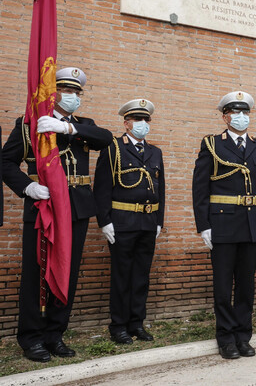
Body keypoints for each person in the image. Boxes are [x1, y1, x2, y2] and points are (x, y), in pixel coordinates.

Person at [2, 67, 112, 362]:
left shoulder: (83, 126)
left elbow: (106, 138)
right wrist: (28, 188)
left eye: (77, 93)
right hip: (43, 206)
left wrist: (68, 129)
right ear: (53, 93)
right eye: (67, 91)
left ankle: (55, 334)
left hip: (76, 208)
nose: (73, 97)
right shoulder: (29, 125)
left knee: (67, 271)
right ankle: (31, 337)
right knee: (37, 273)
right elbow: (6, 163)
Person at [192, 91, 256, 359]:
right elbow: (200, 188)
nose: (241, 117)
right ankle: (225, 338)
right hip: (223, 224)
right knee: (223, 285)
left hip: (252, 224)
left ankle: (243, 335)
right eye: (236, 113)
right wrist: (204, 225)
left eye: (245, 113)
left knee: (246, 285)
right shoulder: (212, 144)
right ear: (225, 116)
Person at [93, 99, 164, 344]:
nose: (143, 124)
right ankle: (119, 326)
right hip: (122, 221)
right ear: (126, 123)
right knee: (122, 276)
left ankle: (137, 323)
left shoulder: (155, 151)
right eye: (138, 120)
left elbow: (160, 188)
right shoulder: (113, 148)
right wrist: (105, 221)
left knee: (141, 276)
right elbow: (101, 187)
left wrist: (158, 220)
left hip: (147, 221)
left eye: (146, 120)